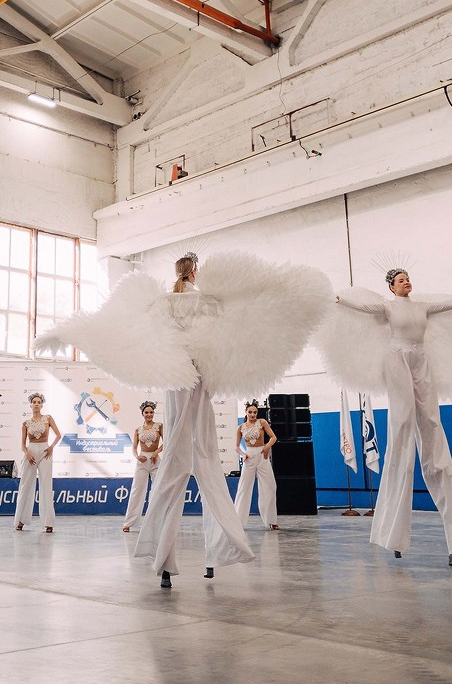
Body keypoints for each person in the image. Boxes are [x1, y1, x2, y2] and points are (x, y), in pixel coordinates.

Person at [34, 249, 331, 587]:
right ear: (196, 272)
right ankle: (213, 556)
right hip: (197, 379)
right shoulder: (208, 302)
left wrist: (73, 332)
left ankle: (166, 561)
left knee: (176, 465)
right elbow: (240, 323)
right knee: (204, 460)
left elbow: (118, 325)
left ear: (176, 272)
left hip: (178, 381)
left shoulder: (161, 303)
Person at [336, 269, 452, 565]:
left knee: (431, 424)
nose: (407, 282)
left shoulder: (421, 305)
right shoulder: (387, 307)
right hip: (396, 357)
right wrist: (339, 299)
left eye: (408, 278)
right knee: (401, 426)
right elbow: (364, 307)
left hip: (419, 358)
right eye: (400, 280)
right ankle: (393, 532)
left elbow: (447, 304)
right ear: (391, 287)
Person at [134, 254, 258, 588]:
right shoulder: (198, 301)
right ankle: (201, 556)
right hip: (189, 374)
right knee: (195, 459)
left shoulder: (175, 301)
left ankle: (183, 558)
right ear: (194, 271)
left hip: (186, 376)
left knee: (187, 459)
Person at [14, 393, 61, 533]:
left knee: (46, 484)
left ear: (41, 404)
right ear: (30, 405)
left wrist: (51, 447)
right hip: (31, 451)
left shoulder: (48, 419)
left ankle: (48, 522)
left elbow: (59, 435)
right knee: (25, 484)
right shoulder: (25, 423)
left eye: (38, 402)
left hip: (45, 451)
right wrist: (27, 453)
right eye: (34, 402)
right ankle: (20, 520)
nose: (36, 404)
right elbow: (22, 444)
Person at [233, 400, 279, 530]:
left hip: (262, 455)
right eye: (250, 412)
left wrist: (266, 447)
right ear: (246, 413)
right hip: (249, 457)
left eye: (255, 412)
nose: (253, 414)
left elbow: (273, 437)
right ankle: (238, 521)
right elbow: (236, 446)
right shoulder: (240, 428)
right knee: (244, 488)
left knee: (270, 486)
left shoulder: (262, 422)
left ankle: (271, 521)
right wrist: (243, 455)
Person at [122, 401, 163, 533]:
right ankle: (128, 522)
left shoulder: (159, 426)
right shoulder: (138, 430)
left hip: (156, 460)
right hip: (143, 460)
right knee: (137, 490)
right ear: (142, 414)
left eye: (151, 412)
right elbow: (134, 448)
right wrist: (137, 457)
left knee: (158, 490)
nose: (149, 414)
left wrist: (157, 452)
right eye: (147, 412)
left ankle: (157, 522)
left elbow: (167, 441)